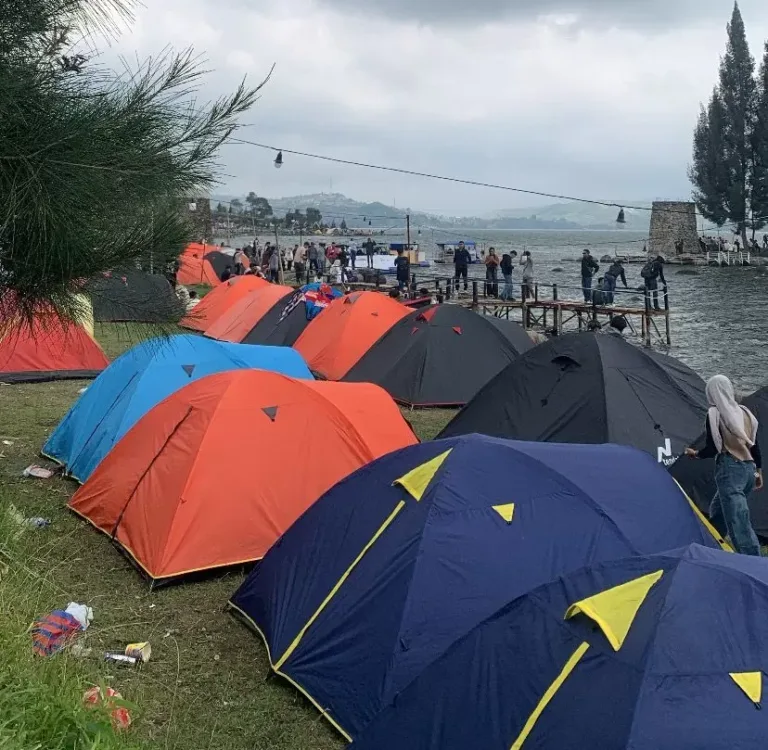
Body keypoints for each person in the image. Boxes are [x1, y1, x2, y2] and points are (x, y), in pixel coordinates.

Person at [685, 375, 763, 556]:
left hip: (730, 470)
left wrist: (696, 454)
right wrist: (759, 471)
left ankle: (753, 562)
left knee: (738, 522)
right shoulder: (745, 412)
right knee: (718, 510)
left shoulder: (715, 413)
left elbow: (714, 447)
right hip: (749, 470)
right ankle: (712, 544)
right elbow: (754, 444)